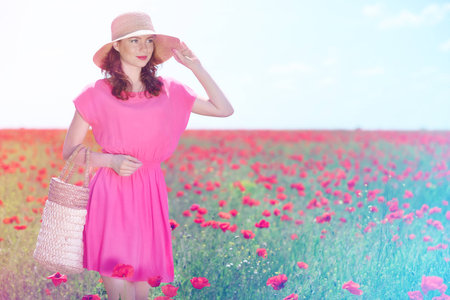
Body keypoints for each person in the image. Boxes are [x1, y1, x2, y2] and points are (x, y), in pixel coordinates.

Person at [62, 11, 233, 300]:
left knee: (141, 286)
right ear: (116, 46)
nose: (143, 48)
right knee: (117, 280)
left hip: (149, 188)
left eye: (149, 41)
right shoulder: (96, 93)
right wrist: (111, 161)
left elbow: (223, 109)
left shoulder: (170, 91)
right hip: (111, 189)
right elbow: (70, 152)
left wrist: (197, 67)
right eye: (134, 40)